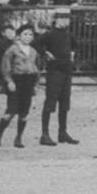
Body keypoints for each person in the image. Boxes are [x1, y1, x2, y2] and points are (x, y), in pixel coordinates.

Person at [35, 8, 80, 145]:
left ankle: (62, 133)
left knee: (65, 103)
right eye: (62, 18)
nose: (65, 21)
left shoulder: (69, 35)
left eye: (67, 18)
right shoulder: (49, 35)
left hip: (67, 71)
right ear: (56, 19)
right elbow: (35, 43)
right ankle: (45, 134)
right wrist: (45, 53)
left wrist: (73, 53)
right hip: (54, 72)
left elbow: (76, 46)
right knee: (50, 102)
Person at [0, 22, 41, 148]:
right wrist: (9, 81)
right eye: (25, 34)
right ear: (19, 36)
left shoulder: (33, 51)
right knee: (11, 110)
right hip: (16, 81)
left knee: (24, 112)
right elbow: (5, 66)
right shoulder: (12, 49)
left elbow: (37, 69)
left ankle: (18, 138)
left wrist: (36, 85)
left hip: (29, 82)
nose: (28, 37)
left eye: (31, 34)